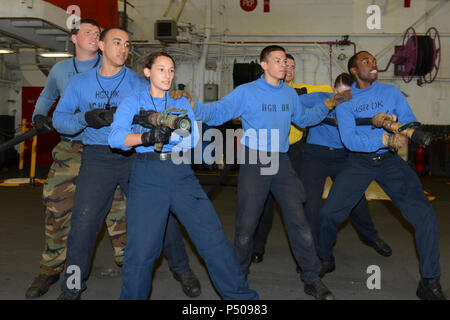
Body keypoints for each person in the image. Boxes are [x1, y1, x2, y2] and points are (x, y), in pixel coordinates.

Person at [52, 27, 199, 300]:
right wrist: (85, 118)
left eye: (128, 44)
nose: (123, 48)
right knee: (83, 227)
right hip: (96, 159)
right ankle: (71, 287)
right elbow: (59, 119)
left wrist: (179, 97)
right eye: (117, 42)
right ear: (100, 45)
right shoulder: (80, 83)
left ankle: (183, 270)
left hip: (136, 158)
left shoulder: (137, 83)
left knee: (163, 219)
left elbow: (163, 106)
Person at [192, 45, 348, 300]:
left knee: (299, 221)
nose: (283, 65)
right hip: (255, 159)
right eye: (277, 60)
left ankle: (311, 278)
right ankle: (237, 281)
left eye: (285, 61)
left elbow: (305, 119)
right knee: (246, 225)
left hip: (281, 160)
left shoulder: (289, 94)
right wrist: (192, 106)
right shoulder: (247, 92)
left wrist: (329, 103)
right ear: (263, 65)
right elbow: (218, 112)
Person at [108, 51, 258, 300]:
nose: (167, 75)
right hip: (147, 175)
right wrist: (146, 137)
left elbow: (192, 140)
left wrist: (170, 131)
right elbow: (115, 138)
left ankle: (243, 300)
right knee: (141, 252)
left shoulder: (180, 103)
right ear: (147, 72)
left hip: (180, 173)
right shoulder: (132, 102)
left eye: (171, 70)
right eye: (161, 69)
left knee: (213, 238)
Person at [317, 51, 446, 300]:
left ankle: (429, 282)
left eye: (373, 61)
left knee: (425, 216)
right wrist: (384, 137)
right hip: (359, 163)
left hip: (389, 162)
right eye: (366, 61)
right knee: (328, 216)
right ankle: (325, 257)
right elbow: (350, 140)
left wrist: (402, 129)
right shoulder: (346, 101)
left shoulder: (391, 93)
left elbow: (410, 120)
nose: (373, 64)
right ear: (354, 71)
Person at [25, 19, 129, 299]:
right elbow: (48, 97)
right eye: (88, 33)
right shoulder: (61, 70)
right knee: (57, 207)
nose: (94, 37)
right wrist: (39, 115)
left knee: (120, 209)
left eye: (98, 34)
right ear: (74, 38)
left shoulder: (112, 66)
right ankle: (50, 268)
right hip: (71, 148)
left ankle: (129, 263)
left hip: (107, 151)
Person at [251, 53, 336, 263]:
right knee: (265, 203)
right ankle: (256, 247)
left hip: (296, 152)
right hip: (270, 151)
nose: (289, 70)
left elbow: (329, 92)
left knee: (300, 202)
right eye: (284, 65)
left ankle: (307, 255)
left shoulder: (302, 90)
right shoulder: (266, 92)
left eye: (293, 67)